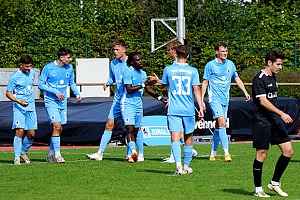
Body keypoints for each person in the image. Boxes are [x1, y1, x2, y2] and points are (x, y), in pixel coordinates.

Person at [86, 40, 144, 162]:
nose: (115, 52)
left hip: (129, 100)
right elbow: (113, 77)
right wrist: (108, 82)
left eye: (117, 50)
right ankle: (100, 153)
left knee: (132, 128)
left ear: (124, 50)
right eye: (114, 50)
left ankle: (130, 155)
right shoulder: (113, 63)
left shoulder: (131, 63)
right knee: (109, 124)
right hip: (118, 100)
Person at [252, 50, 294, 198]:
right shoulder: (259, 78)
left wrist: (278, 116)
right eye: (278, 64)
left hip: (274, 121)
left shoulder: (273, 77)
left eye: (281, 64)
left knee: (288, 151)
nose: (280, 67)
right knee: (261, 155)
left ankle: (274, 183)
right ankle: (258, 189)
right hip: (262, 122)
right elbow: (263, 102)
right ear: (269, 63)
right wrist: (281, 113)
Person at [201, 41, 250, 162]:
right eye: (222, 51)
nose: (225, 53)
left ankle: (213, 154)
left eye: (226, 51)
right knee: (223, 123)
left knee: (218, 126)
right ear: (217, 52)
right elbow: (205, 82)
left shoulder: (230, 64)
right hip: (214, 99)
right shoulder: (210, 65)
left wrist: (245, 91)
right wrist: (201, 100)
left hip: (225, 100)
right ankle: (226, 153)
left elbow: (237, 78)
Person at [161, 45, 204, 175]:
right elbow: (196, 89)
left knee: (174, 137)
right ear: (188, 56)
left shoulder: (168, 70)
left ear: (176, 54)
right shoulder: (193, 71)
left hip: (174, 108)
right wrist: (201, 107)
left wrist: (167, 94)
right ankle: (186, 166)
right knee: (188, 137)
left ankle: (178, 166)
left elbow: (163, 87)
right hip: (188, 109)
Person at [122, 52, 168, 162]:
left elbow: (149, 90)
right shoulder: (128, 72)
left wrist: (161, 99)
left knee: (137, 130)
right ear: (132, 62)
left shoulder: (143, 73)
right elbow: (129, 89)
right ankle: (133, 153)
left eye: (141, 59)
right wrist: (144, 84)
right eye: (138, 60)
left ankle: (139, 155)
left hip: (138, 105)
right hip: (128, 104)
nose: (141, 61)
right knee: (129, 128)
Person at [38, 47, 82, 163]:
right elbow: (41, 84)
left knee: (59, 128)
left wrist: (77, 94)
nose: (70, 59)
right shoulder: (48, 68)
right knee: (57, 126)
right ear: (61, 57)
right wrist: (55, 92)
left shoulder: (69, 68)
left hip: (63, 102)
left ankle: (50, 155)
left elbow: (71, 82)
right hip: (51, 101)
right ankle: (58, 156)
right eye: (69, 57)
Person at [6, 55, 37, 165]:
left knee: (31, 134)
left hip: (31, 107)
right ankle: (16, 158)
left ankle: (22, 152)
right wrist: (19, 101)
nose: (29, 68)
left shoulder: (33, 73)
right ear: (21, 65)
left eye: (30, 66)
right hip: (19, 107)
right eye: (27, 66)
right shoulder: (14, 77)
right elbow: (8, 93)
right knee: (20, 130)